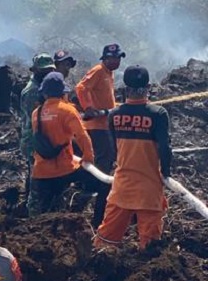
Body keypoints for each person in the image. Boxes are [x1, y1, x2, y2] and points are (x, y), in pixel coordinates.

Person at [94, 66, 172, 251]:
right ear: (148, 87)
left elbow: (114, 151)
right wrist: (166, 174)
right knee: (150, 246)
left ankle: (98, 272)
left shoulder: (114, 115)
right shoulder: (158, 114)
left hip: (122, 186)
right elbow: (165, 149)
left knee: (106, 242)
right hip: (149, 188)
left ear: (124, 89)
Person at [28, 73, 109, 218]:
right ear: (62, 93)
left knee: (42, 215)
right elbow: (82, 136)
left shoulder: (36, 113)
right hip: (64, 169)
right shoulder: (67, 110)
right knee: (103, 184)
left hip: (40, 172)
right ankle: (95, 222)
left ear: (44, 93)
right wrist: (88, 159)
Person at [76, 43, 126, 226]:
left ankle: (97, 187)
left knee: (107, 155)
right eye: (114, 58)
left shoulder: (108, 73)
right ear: (105, 58)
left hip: (105, 122)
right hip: (96, 125)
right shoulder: (98, 70)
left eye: (119, 58)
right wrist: (89, 107)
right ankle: (97, 188)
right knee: (105, 157)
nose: (117, 61)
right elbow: (81, 87)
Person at [19, 54, 56, 191]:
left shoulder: (42, 87)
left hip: (39, 139)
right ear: (35, 70)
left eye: (49, 70)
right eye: (44, 71)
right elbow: (36, 119)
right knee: (37, 176)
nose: (47, 73)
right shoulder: (33, 91)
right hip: (34, 140)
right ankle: (33, 207)